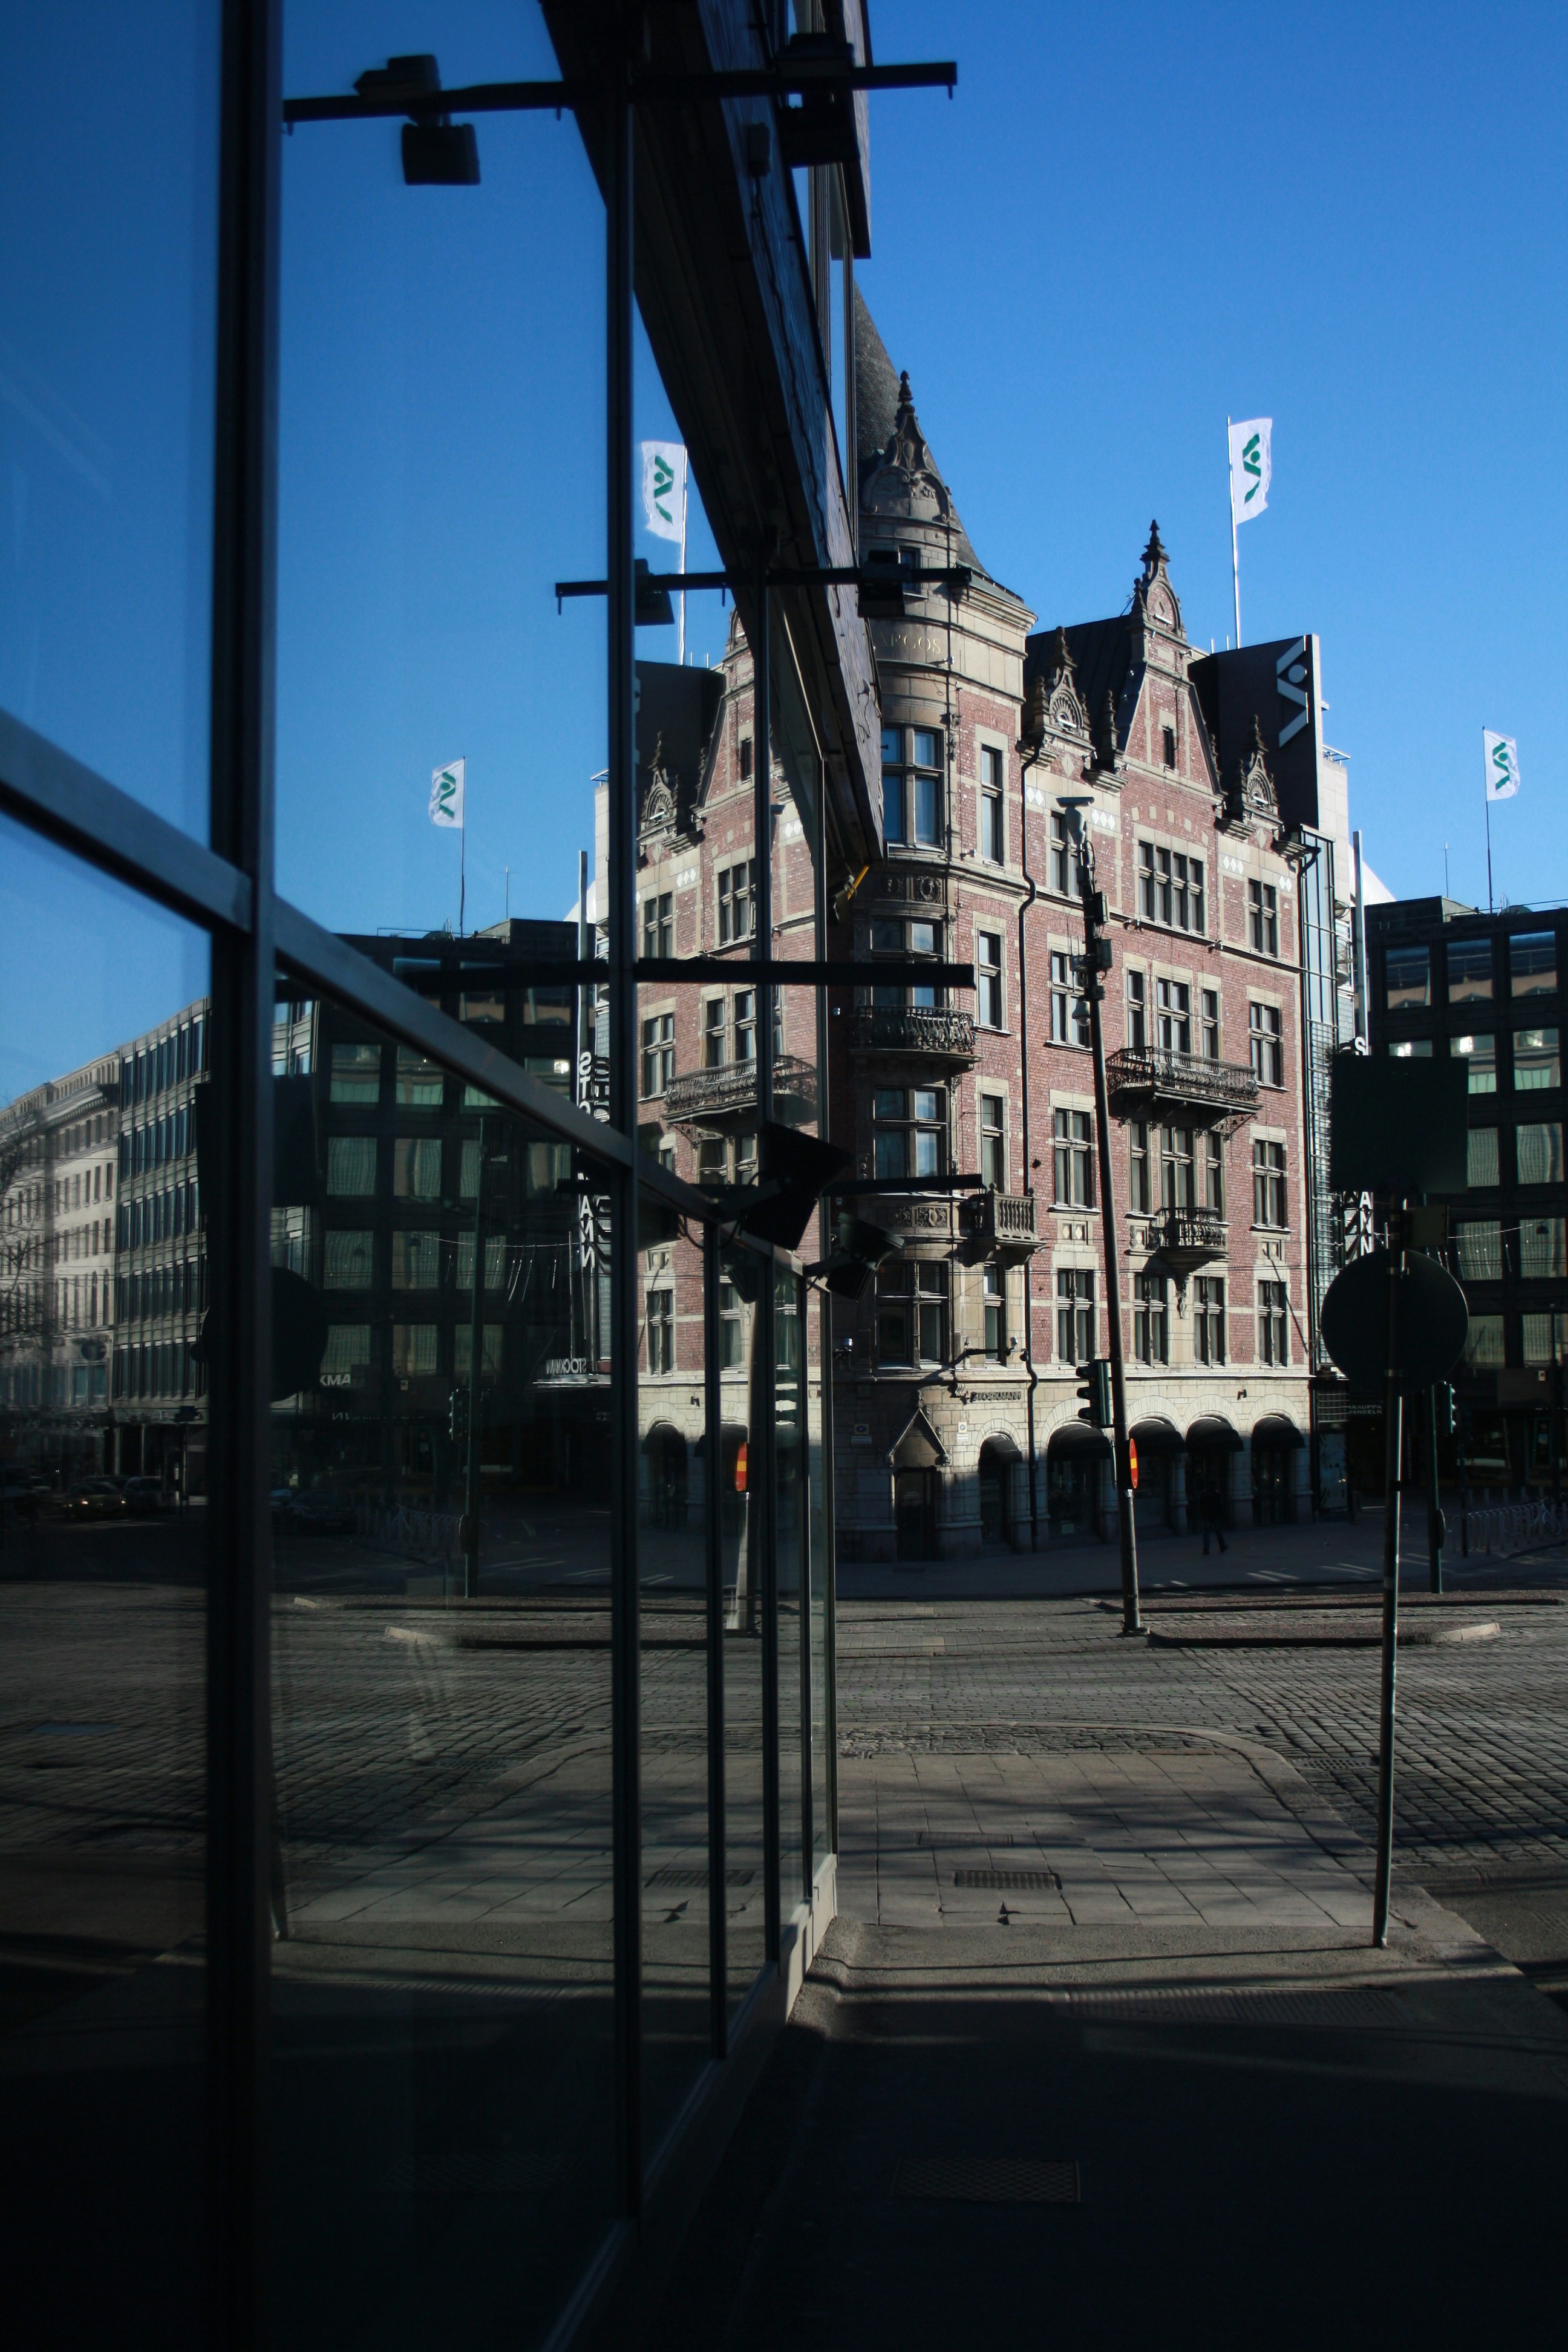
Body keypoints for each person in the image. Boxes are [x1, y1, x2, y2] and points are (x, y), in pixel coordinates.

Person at [1198, 1478, 1227, 1555]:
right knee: (1218, 1532)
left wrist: (1202, 1514)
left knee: (1206, 1533)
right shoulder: (1216, 1493)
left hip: (1207, 1516)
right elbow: (1220, 1505)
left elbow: (1201, 1505)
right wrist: (1222, 1515)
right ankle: (1223, 1546)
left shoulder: (1204, 1493)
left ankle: (1206, 1549)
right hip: (1215, 1516)